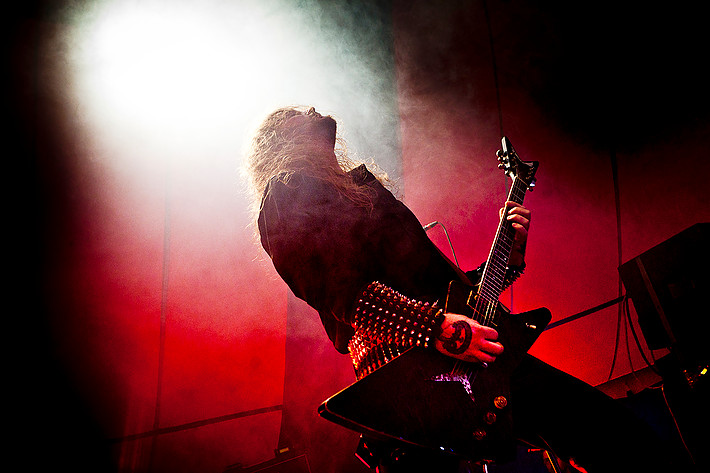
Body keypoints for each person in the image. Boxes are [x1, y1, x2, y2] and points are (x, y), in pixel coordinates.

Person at [245, 106, 677, 472]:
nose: (314, 110)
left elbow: (449, 295)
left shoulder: (353, 191)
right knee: (614, 435)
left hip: (460, 357)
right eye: (299, 112)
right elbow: (345, 296)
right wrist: (438, 330)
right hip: (415, 372)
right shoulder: (285, 192)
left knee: (614, 437)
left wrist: (507, 260)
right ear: (283, 140)